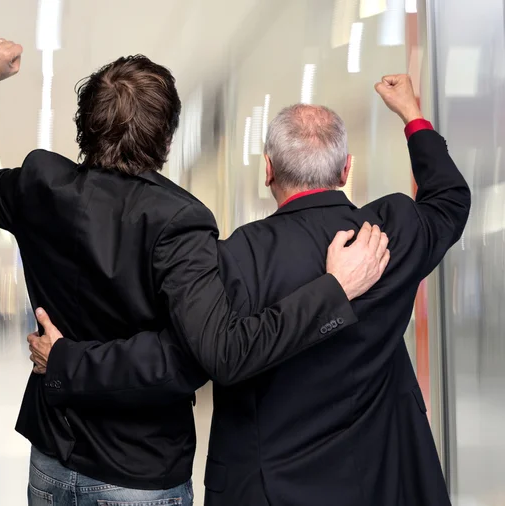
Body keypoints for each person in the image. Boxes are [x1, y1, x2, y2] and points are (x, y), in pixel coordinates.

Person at [0, 38, 389, 505]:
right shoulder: (181, 220)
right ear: (167, 140)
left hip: (51, 456)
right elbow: (206, 356)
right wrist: (335, 290)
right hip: (137, 472)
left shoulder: (39, 185)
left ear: (84, 125)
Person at [33, 76, 471, 505]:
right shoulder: (388, 233)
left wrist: (68, 360)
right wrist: (412, 116)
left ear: (268, 170)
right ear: (346, 168)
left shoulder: (232, 258)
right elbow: (450, 198)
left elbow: (176, 356)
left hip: (265, 487)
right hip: (377, 478)